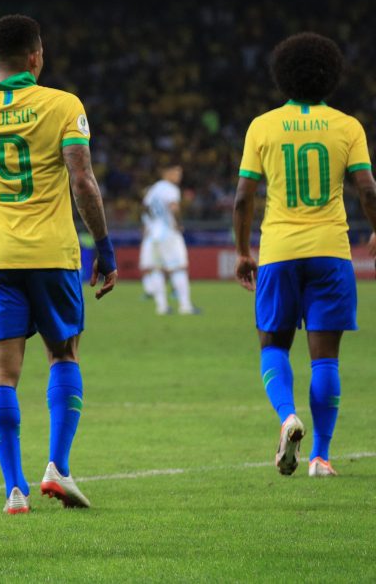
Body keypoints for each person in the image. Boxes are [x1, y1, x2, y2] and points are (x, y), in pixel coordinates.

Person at [0, 14, 117, 513]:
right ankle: (58, 469)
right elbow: (83, 182)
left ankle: (14, 489)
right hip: (52, 255)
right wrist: (104, 247)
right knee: (64, 355)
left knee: (2, 374)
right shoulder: (63, 105)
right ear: (37, 56)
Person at [234, 32, 376, 478]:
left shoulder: (263, 126)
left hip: (279, 250)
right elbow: (367, 187)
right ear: (330, 75)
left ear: (282, 76)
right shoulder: (348, 126)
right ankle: (321, 456)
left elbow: (242, 198)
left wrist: (242, 251)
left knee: (272, 343)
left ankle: (287, 416)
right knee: (326, 358)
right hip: (331, 252)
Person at [139, 164, 199, 315]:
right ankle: (185, 306)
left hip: (153, 234)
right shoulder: (170, 189)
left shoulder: (153, 189)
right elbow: (174, 207)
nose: (179, 176)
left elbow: (145, 207)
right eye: (176, 172)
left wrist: (152, 222)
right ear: (167, 172)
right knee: (178, 268)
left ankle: (162, 307)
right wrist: (178, 224)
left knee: (157, 269)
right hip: (168, 233)